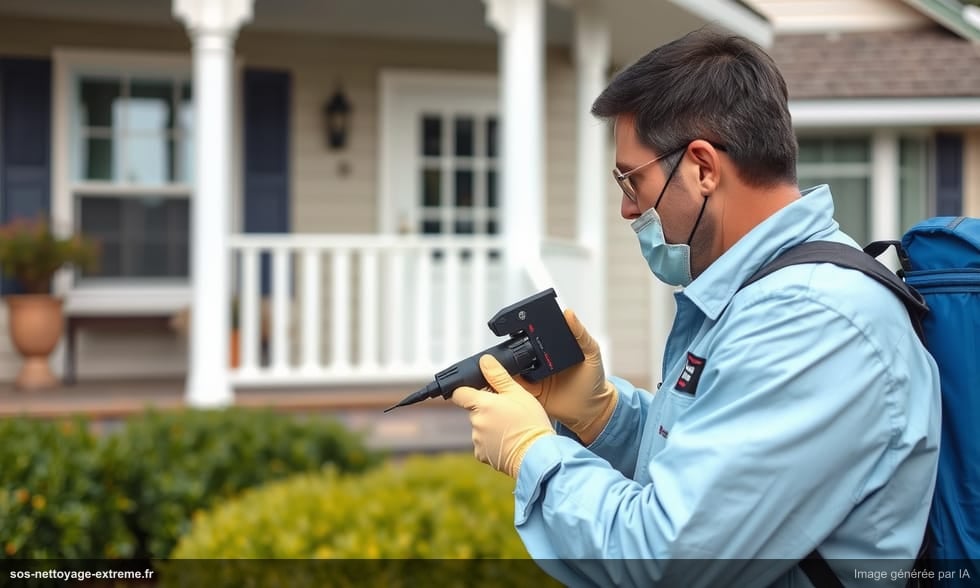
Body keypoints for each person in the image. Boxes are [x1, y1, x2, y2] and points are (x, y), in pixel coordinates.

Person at [449, 28, 942, 587]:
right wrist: (603, 417)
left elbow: (666, 560)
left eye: (631, 180)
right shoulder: (759, 297)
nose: (625, 208)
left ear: (703, 167)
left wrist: (533, 452)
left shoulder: (811, 320)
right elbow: (706, 475)